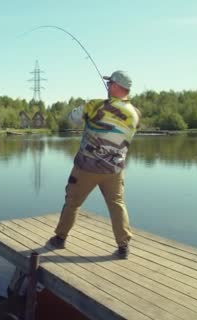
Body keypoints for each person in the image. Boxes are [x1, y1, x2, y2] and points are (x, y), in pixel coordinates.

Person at [49, 70, 140, 259]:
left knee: (72, 202)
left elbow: (72, 119)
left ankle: (60, 239)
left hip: (86, 167)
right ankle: (124, 247)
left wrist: (85, 107)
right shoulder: (135, 114)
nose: (107, 86)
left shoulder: (95, 105)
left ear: (116, 86)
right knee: (117, 204)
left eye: (109, 84)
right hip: (114, 169)